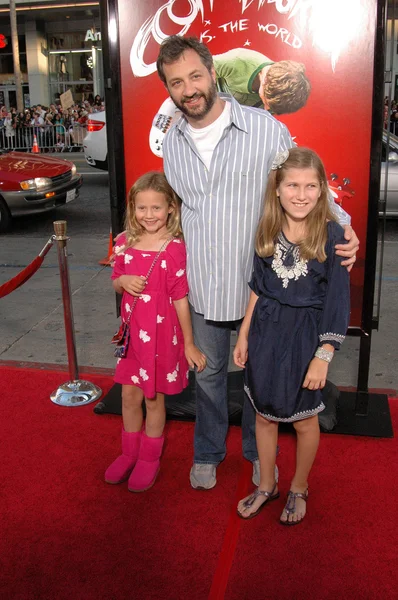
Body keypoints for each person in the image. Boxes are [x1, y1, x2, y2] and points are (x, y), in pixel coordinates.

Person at [156, 36, 358, 491]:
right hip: (205, 285)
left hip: (260, 290)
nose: (188, 89)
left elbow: (304, 183)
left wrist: (344, 226)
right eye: (176, 82)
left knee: (256, 379)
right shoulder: (172, 145)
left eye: (194, 75)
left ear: (212, 71)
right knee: (207, 376)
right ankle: (207, 451)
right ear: (168, 90)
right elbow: (175, 214)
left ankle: (255, 453)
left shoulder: (265, 129)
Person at [234, 147, 350, 524]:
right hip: (266, 333)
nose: (301, 194)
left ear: (322, 190)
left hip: (306, 340)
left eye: (311, 185)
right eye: (293, 185)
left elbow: (337, 301)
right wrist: (244, 333)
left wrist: (324, 354)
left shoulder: (334, 237)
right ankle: (267, 484)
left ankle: (299, 486)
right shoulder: (266, 229)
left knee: (303, 419)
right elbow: (258, 287)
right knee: (264, 415)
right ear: (278, 189)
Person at [106, 171, 206, 492]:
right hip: (132, 338)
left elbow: (180, 298)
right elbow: (116, 279)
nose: (149, 215)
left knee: (152, 398)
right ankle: (128, 452)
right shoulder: (123, 242)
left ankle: (149, 458)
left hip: (161, 339)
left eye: (156, 208)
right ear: (133, 208)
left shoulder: (175, 249)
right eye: (141, 208)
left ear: (170, 209)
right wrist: (122, 282)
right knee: (129, 396)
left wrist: (189, 343)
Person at [213, 48, 310, 113]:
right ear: (265, 81)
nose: (267, 108)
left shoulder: (279, 99)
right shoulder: (238, 60)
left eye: (270, 108)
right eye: (267, 103)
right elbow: (199, 75)